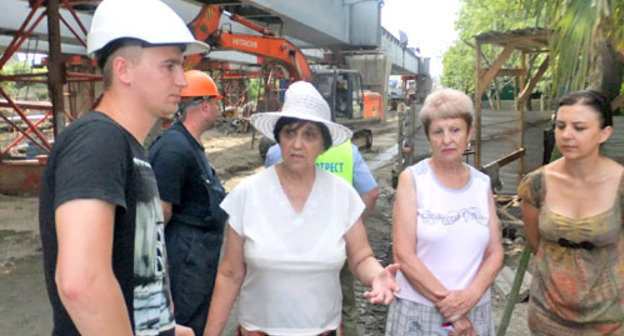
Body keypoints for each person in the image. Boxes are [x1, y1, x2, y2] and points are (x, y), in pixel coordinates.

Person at [38, 0, 210, 335]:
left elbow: (135, 271)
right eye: (170, 66)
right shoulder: (97, 141)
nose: (182, 81)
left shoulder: (130, 149)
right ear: (123, 70)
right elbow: (81, 281)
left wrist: (166, 328)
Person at [204, 81, 399, 336]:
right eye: (290, 133)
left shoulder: (342, 195)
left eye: (309, 135)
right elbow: (229, 274)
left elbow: (361, 256)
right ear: (278, 138)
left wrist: (376, 276)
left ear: (323, 144)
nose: (297, 144)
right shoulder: (247, 194)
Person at [386, 88, 503, 336]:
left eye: (455, 130)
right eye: (438, 131)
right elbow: (403, 255)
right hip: (420, 314)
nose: (447, 140)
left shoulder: (482, 184)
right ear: (428, 136)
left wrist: (470, 297)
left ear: (469, 132)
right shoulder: (413, 180)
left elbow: (495, 252)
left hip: (475, 310)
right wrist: (454, 311)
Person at [518, 90, 624, 335]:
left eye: (579, 128)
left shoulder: (620, 184)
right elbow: (536, 244)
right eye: (560, 126)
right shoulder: (536, 184)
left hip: (609, 317)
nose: (566, 135)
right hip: (549, 313)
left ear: (604, 133)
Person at [265, 138, 378, 336]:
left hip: (290, 246)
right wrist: (352, 226)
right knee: (344, 309)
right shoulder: (348, 151)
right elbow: (371, 193)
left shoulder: (277, 152)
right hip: (336, 246)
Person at [148, 70, 227, 336]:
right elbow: (158, 215)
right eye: (216, 102)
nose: (218, 108)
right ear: (205, 105)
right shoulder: (174, 149)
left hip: (197, 263)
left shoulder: (190, 145)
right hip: (184, 267)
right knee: (184, 327)